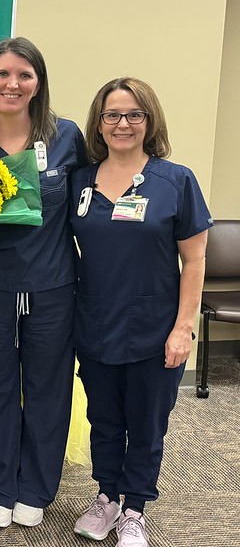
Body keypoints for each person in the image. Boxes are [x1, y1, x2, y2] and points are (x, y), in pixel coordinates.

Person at [70, 78, 211, 547]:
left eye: (134, 114)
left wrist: (183, 328)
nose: (123, 123)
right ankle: (107, 496)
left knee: (147, 422)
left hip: (155, 328)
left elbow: (194, 259)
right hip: (95, 323)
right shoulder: (80, 183)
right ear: (99, 123)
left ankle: (134, 509)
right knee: (104, 419)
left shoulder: (176, 181)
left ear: (149, 120)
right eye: (112, 114)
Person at [0, 37, 87, 528]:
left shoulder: (67, 137)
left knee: (49, 388)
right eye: (3, 74)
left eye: (24, 75)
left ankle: (36, 486)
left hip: (53, 285)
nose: (13, 84)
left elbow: (89, 209)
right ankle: (0, 484)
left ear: (38, 84)